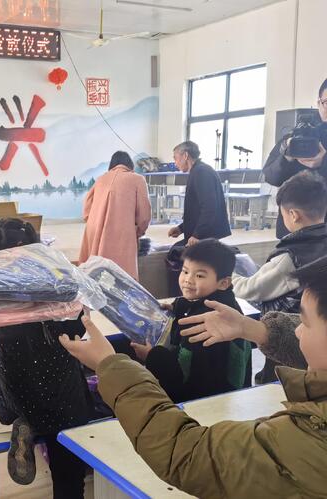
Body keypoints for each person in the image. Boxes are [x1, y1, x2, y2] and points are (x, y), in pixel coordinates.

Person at [59, 255, 327, 498]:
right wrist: (256, 329)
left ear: (223, 282)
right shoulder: (203, 312)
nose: (298, 331)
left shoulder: (308, 440)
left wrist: (110, 365)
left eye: (305, 322)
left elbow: (186, 453)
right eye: (185, 271)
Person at [0, 218, 92, 499]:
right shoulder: (56, 279)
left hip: (15, 394)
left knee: (2, 362)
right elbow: (77, 330)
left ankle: (27, 423)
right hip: (61, 396)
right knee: (68, 471)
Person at [129, 239, 251, 403]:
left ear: (223, 283)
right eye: (185, 271)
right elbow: (195, 304)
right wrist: (176, 307)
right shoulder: (226, 305)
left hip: (209, 403)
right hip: (233, 395)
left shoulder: (207, 323)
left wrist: (152, 356)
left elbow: (184, 381)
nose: (188, 280)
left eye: (199, 275)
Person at [233, 171, 327, 383]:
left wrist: (227, 275)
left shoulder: (289, 256)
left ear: (293, 215)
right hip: (318, 338)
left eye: (282, 214)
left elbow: (249, 289)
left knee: (281, 382)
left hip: (290, 339)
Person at [263, 78, 327, 238]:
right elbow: (270, 176)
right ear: (319, 103)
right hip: (291, 228)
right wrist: (286, 158)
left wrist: (323, 162)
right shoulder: (295, 136)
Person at [79, 151, 151, 280]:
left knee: (94, 272)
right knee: (121, 277)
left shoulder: (100, 179)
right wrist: (139, 231)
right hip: (121, 232)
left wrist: (97, 221)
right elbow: (144, 214)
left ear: (112, 164)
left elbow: (86, 208)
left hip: (94, 230)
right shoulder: (138, 179)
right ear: (130, 164)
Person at [167, 141, 231, 247]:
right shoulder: (198, 170)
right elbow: (196, 210)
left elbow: (209, 207)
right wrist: (181, 228)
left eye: (175, 158)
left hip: (206, 235)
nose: (175, 163)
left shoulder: (201, 172)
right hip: (203, 233)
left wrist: (197, 235)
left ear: (185, 155)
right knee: (175, 250)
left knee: (176, 252)